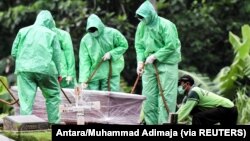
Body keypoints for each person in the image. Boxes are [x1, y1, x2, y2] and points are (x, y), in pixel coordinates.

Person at [135, 1, 181, 124]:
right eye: (139, 17)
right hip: (149, 65)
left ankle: (164, 125)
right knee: (149, 97)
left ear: (151, 14)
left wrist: (156, 55)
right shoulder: (141, 26)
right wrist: (140, 61)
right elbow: (139, 45)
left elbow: (171, 45)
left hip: (167, 63)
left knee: (166, 97)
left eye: (143, 17)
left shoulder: (166, 25)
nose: (141, 19)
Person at [11, 10, 62, 124]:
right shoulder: (52, 34)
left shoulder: (23, 31)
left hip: (24, 70)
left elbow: (14, 53)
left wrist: (24, 62)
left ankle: (25, 128)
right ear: (50, 22)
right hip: (46, 70)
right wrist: (59, 73)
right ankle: (54, 126)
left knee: (26, 101)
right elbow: (57, 57)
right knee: (53, 96)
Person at [79, 14, 128, 91]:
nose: (93, 31)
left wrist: (111, 53)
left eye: (95, 29)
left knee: (110, 97)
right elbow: (84, 61)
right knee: (94, 98)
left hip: (111, 72)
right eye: (91, 30)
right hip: (94, 74)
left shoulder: (112, 33)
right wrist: (84, 79)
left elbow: (123, 45)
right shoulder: (85, 40)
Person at [52, 20, 76, 88]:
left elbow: (69, 55)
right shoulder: (43, 35)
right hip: (50, 74)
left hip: (64, 73)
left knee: (68, 95)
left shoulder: (63, 35)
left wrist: (70, 74)